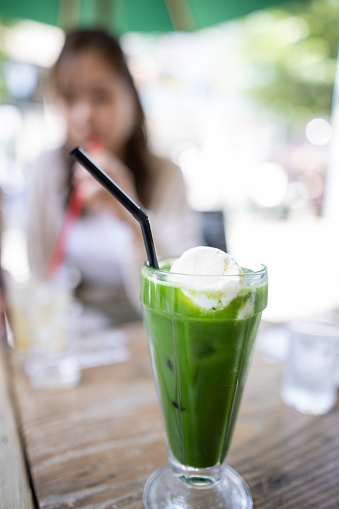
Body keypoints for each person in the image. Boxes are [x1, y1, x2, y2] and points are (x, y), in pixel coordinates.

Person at [26, 28, 201, 323]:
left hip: (152, 331)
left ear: (131, 98)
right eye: (69, 98)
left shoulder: (166, 174)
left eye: (100, 97)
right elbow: (41, 278)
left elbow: (183, 290)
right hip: (78, 331)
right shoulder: (48, 171)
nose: (84, 115)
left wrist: (128, 213)